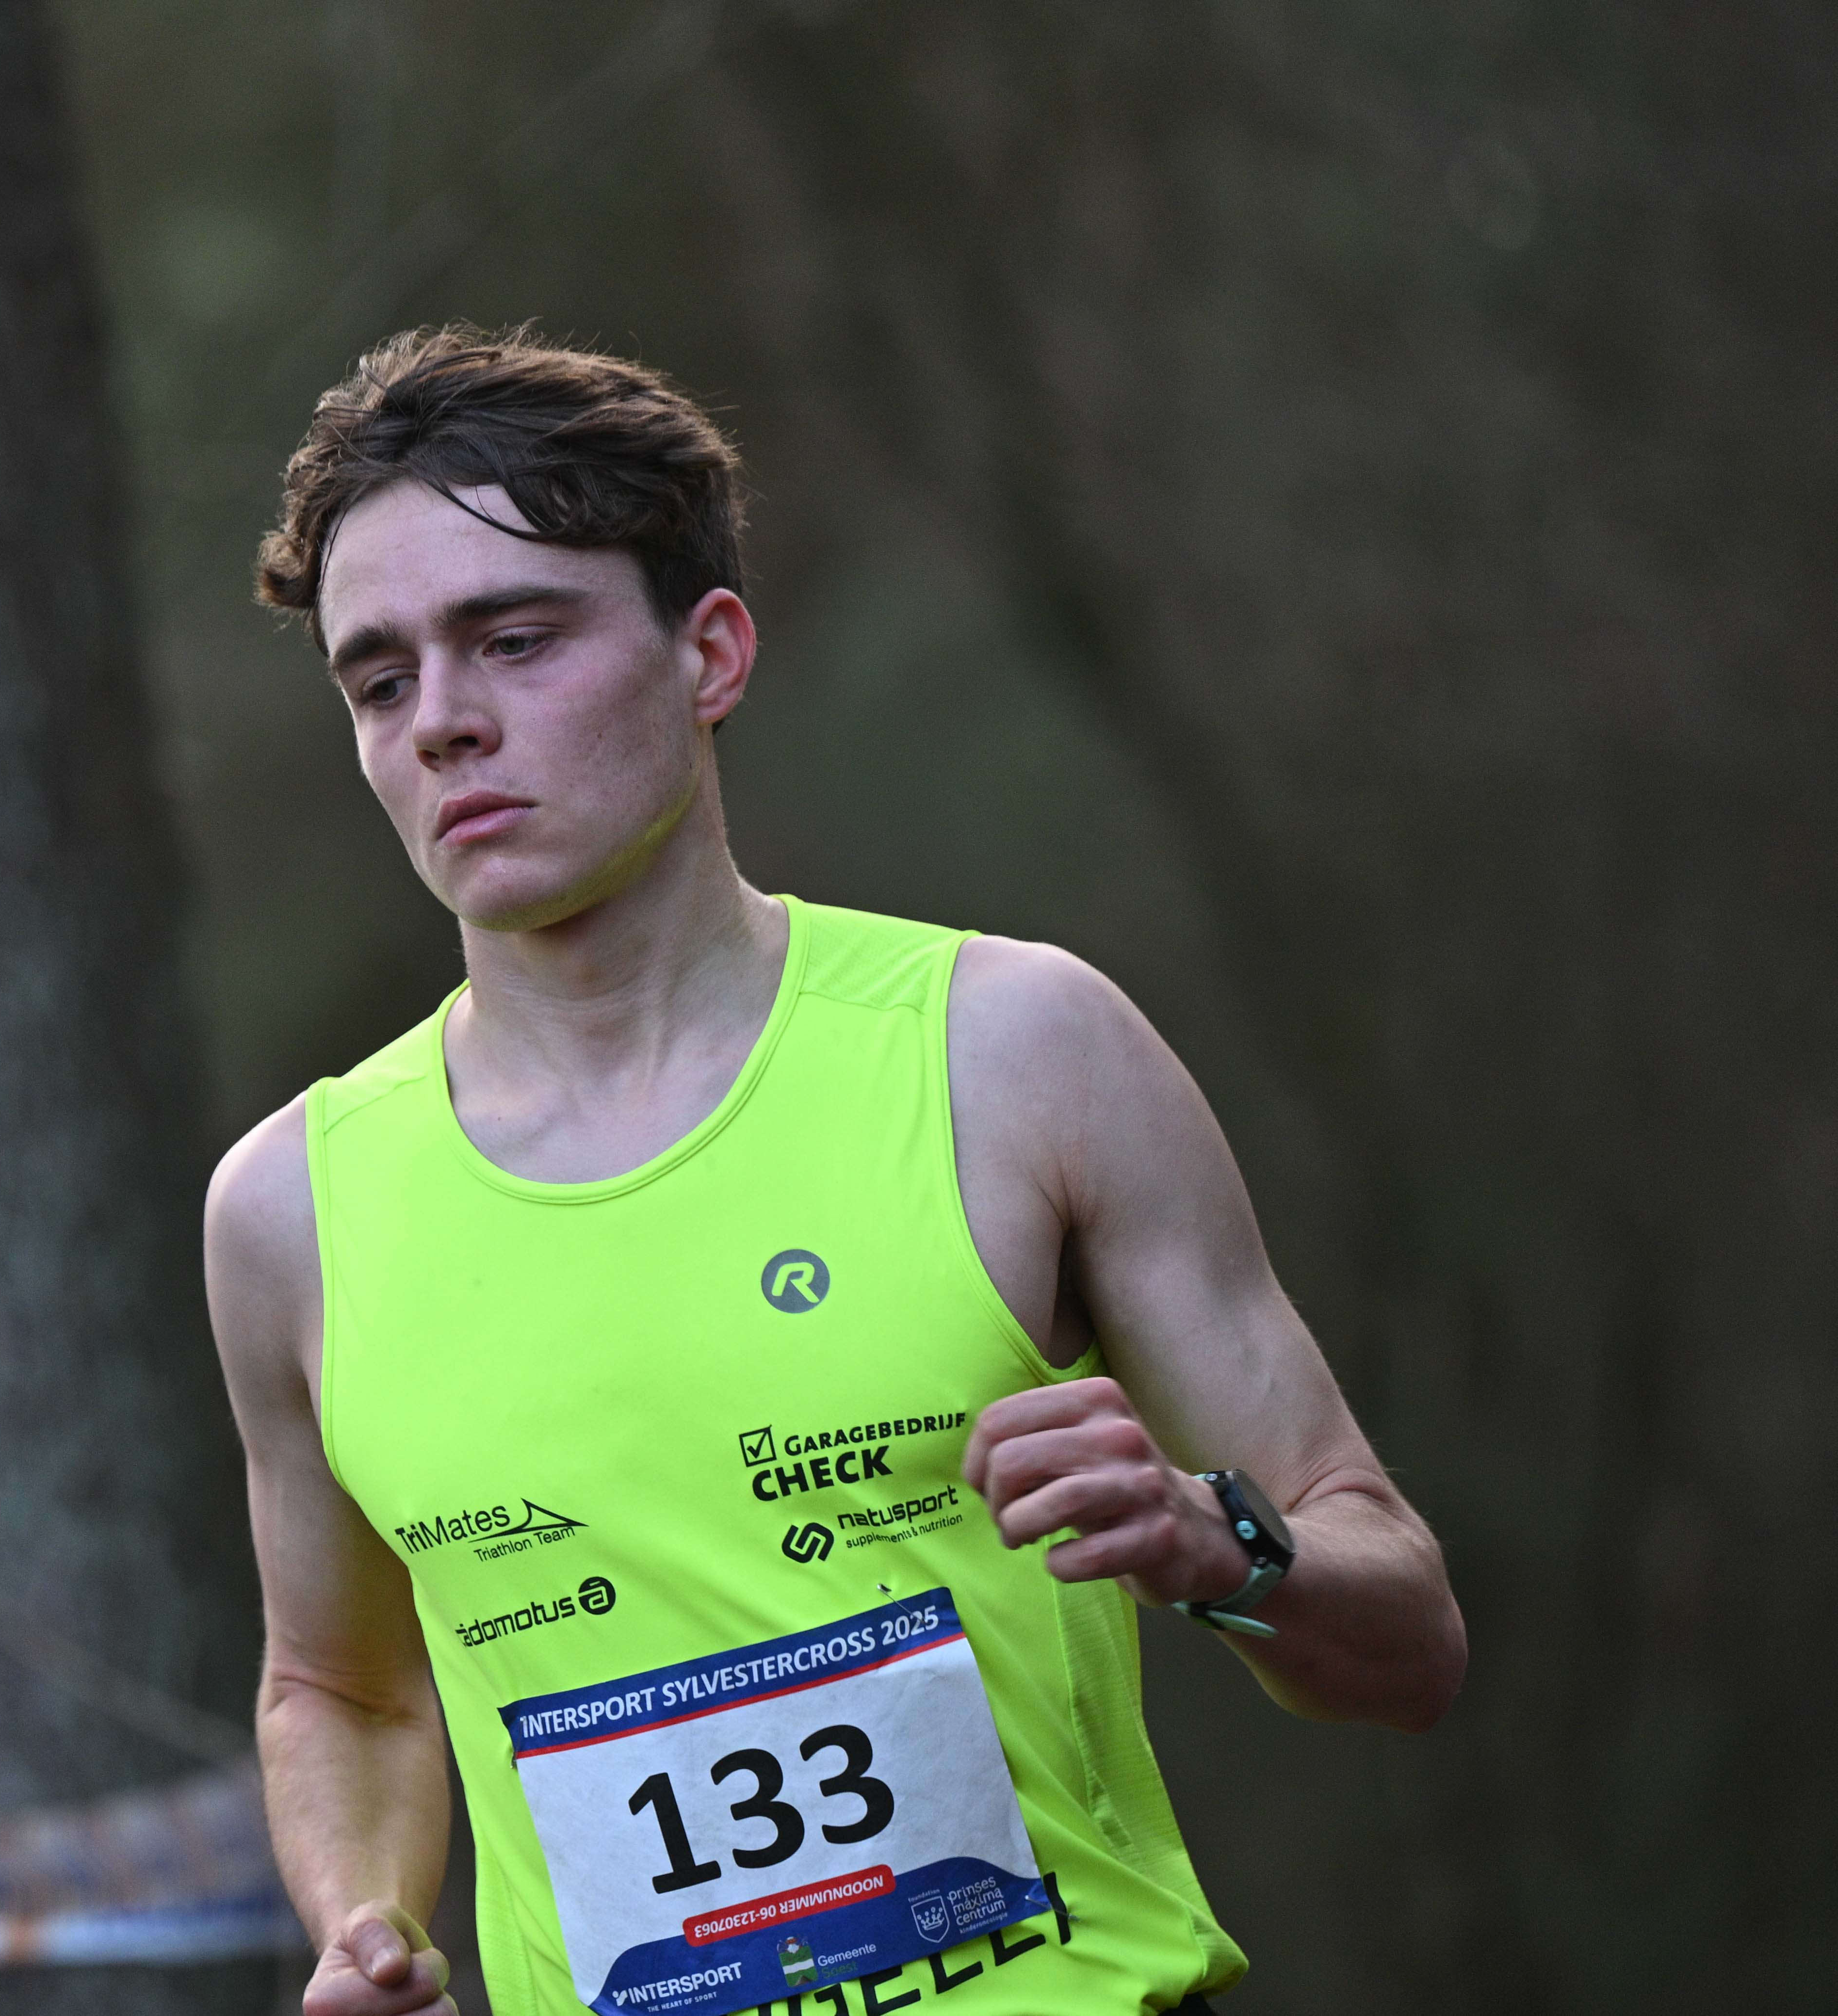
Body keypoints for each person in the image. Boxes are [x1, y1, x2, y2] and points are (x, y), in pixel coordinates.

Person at [205, 328, 1467, 2016]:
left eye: (514, 640)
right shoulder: (290, 1211)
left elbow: (1407, 1648)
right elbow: (341, 1690)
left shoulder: (1013, 1052)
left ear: (709, 653)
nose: (440, 722)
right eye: (378, 681)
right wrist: (364, 1921)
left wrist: (1209, 1541)